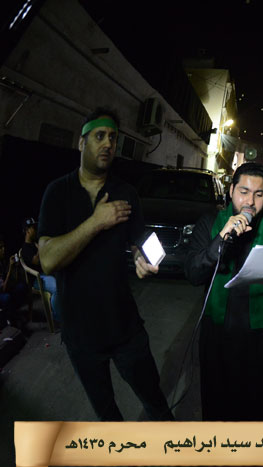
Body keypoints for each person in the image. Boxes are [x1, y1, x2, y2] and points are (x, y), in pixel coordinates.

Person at [37, 108, 172, 421]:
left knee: (156, 403)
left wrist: (142, 258)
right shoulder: (58, 192)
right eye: (100, 136)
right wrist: (96, 222)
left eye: (113, 137)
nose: (108, 143)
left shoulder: (126, 193)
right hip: (80, 334)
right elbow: (48, 260)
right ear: (82, 143)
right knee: (107, 414)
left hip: (125, 327)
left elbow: (140, 242)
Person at [184, 162, 263, 421]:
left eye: (259, 194)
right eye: (244, 192)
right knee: (219, 401)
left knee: (260, 403)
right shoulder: (209, 223)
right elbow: (192, 273)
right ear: (231, 191)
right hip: (219, 331)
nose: (250, 202)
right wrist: (220, 241)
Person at [20, 217, 60, 323]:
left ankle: (63, 310)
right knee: (56, 287)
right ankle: (57, 317)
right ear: (27, 231)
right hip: (37, 279)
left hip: (45, 274)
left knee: (64, 280)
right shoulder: (25, 248)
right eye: (33, 228)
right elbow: (36, 261)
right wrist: (40, 248)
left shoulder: (35, 243)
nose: (36, 230)